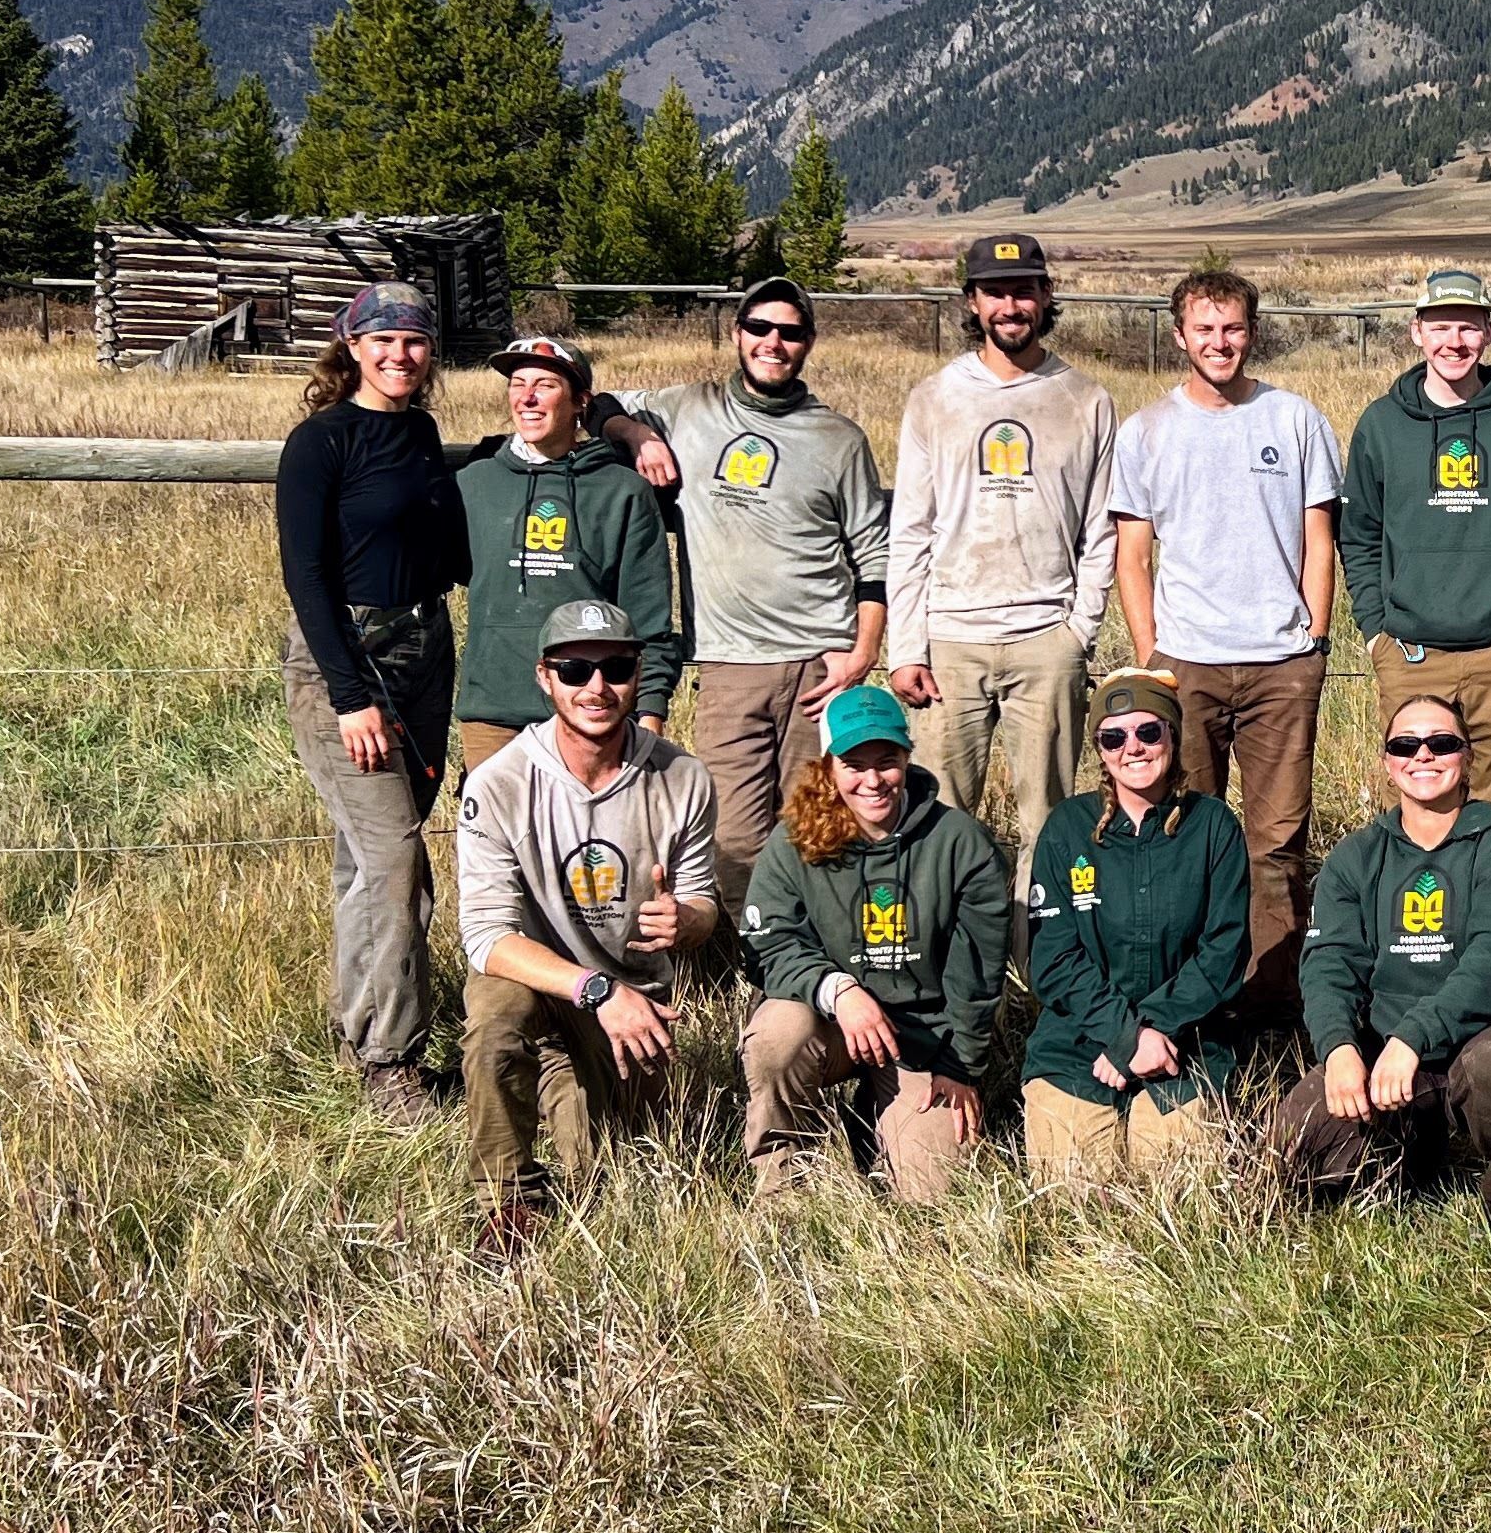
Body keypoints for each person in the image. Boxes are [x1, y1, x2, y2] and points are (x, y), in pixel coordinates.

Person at [594, 275, 891, 925]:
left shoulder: (838, 439)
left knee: (817, 828)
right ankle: (748, 959)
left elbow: (875, 553)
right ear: (737, 334)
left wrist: (861, 655)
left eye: (789, 331)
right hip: (729, 662)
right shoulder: (685, 409)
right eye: (759, 327)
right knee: (730, 834)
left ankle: (813, 963)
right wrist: (635, 436)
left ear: (808, 342)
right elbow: (599, 401)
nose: (772, 342)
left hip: (820, 663)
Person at [1109, 263, 1345, 1024]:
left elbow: (1319, 538)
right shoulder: (1146, 431)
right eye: (1205, 329)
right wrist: (1153, 660)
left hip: (1282, 664)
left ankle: (1272, 1008)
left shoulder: (1295, 420)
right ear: (1180, 336)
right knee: (1190, 836)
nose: (1220, 343)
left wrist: (1313, 637)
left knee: (1275, 845)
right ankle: (1193, 1004)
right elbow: (1133, 554)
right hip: (1188, 665)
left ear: (1253, 331)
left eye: (1234, 328)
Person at [454, 599, 725, 1261]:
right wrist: (597, 991)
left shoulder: (682, 778)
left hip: (636, 997)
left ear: (638, 675)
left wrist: (688, 920)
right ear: (545, 679)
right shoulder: (498, 784)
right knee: (494, 1022)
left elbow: (704, 903)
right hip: (544, 977)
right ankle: (506, 1195)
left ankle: (561, 1075)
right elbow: (486, 938)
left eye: (615, 668)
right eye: (575, 670)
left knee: (607, 1179)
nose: (595, 687)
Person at [275, 281, 473, 1120]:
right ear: (351, 346)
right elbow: (307, 577)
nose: (399, 355)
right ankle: (392, 1063)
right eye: (382, 341)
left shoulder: (422, 433)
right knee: (398, 864)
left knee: (367, 862)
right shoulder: (320, 443)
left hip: (426, 651)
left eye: (415, 342)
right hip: (346, 666)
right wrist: (351, 696)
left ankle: (355, 1028)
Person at [1268, 692, 1491, 1225]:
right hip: (1389, 1054)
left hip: (1485, 1038)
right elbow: (1330, 962)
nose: (1422, 756)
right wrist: (1338, 1047)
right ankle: (1415, 1157)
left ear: (1467, 756)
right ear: (1387, 762)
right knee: (1297, 1142)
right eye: (1406, 744)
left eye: (1441, 743)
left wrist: (1414, 1036)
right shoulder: (1356, 856)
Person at [887, 233, 1118, 882]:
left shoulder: (1086, 400)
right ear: (972, 300)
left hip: (1045, 641)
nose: (1010, 305)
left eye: (1023, 290)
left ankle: (1040, 973)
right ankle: (951, 977)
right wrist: (906, 646)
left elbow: (1101, 529)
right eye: (995, 291)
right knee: (936, 823)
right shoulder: (935, 398)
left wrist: (1078, 632)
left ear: (1046, 296)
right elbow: (910, 529)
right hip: (949, 643)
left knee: (1049, 825)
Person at [735, 682, 1012, 1204]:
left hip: (921, 1038)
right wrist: (837, 990)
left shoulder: (959, 841)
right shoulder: (796, 838)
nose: (872, 780)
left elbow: (979, 968)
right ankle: (783, 1189)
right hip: (829, 1023)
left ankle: (872, 1121)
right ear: (829, 766)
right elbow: (767, 943)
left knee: (937, 1198)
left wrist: (961, 1067)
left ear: (907, 757)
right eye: (853, 764)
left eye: (887, 761)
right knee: (777, 1035)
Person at [1339, 265, 1491, 820]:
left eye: (1468, 327)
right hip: (1413, 655)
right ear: (1417, 330)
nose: (1454, 342)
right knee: (1424, 812)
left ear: (1488, 331)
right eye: (1440, 327)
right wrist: (1377, 634)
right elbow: (1360, 536)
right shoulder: (1381, 424)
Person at [1022, 666, 1252, 1187]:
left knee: (1181, 1191)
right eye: (1114, 737)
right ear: (1100, 751)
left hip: (1183, 1044)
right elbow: (1054, 960)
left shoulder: (1214, 826)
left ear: (1172, 735)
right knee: (1075, 1199)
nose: (1134, 747)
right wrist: (1124, 1035)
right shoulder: (1066, 830)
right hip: (1079, 1043)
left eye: (1149, 731)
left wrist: (1151, 1030)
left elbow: (1224, 953)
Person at [452, 334, 682, 774]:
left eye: (545, 385)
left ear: (580, 401)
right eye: (517, 384)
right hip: (493, 710)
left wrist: (650, 709)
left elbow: (648, 614)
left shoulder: (622, 491)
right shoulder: (475, 483)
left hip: (590, 706)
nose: (528, 398)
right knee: (499, 841)